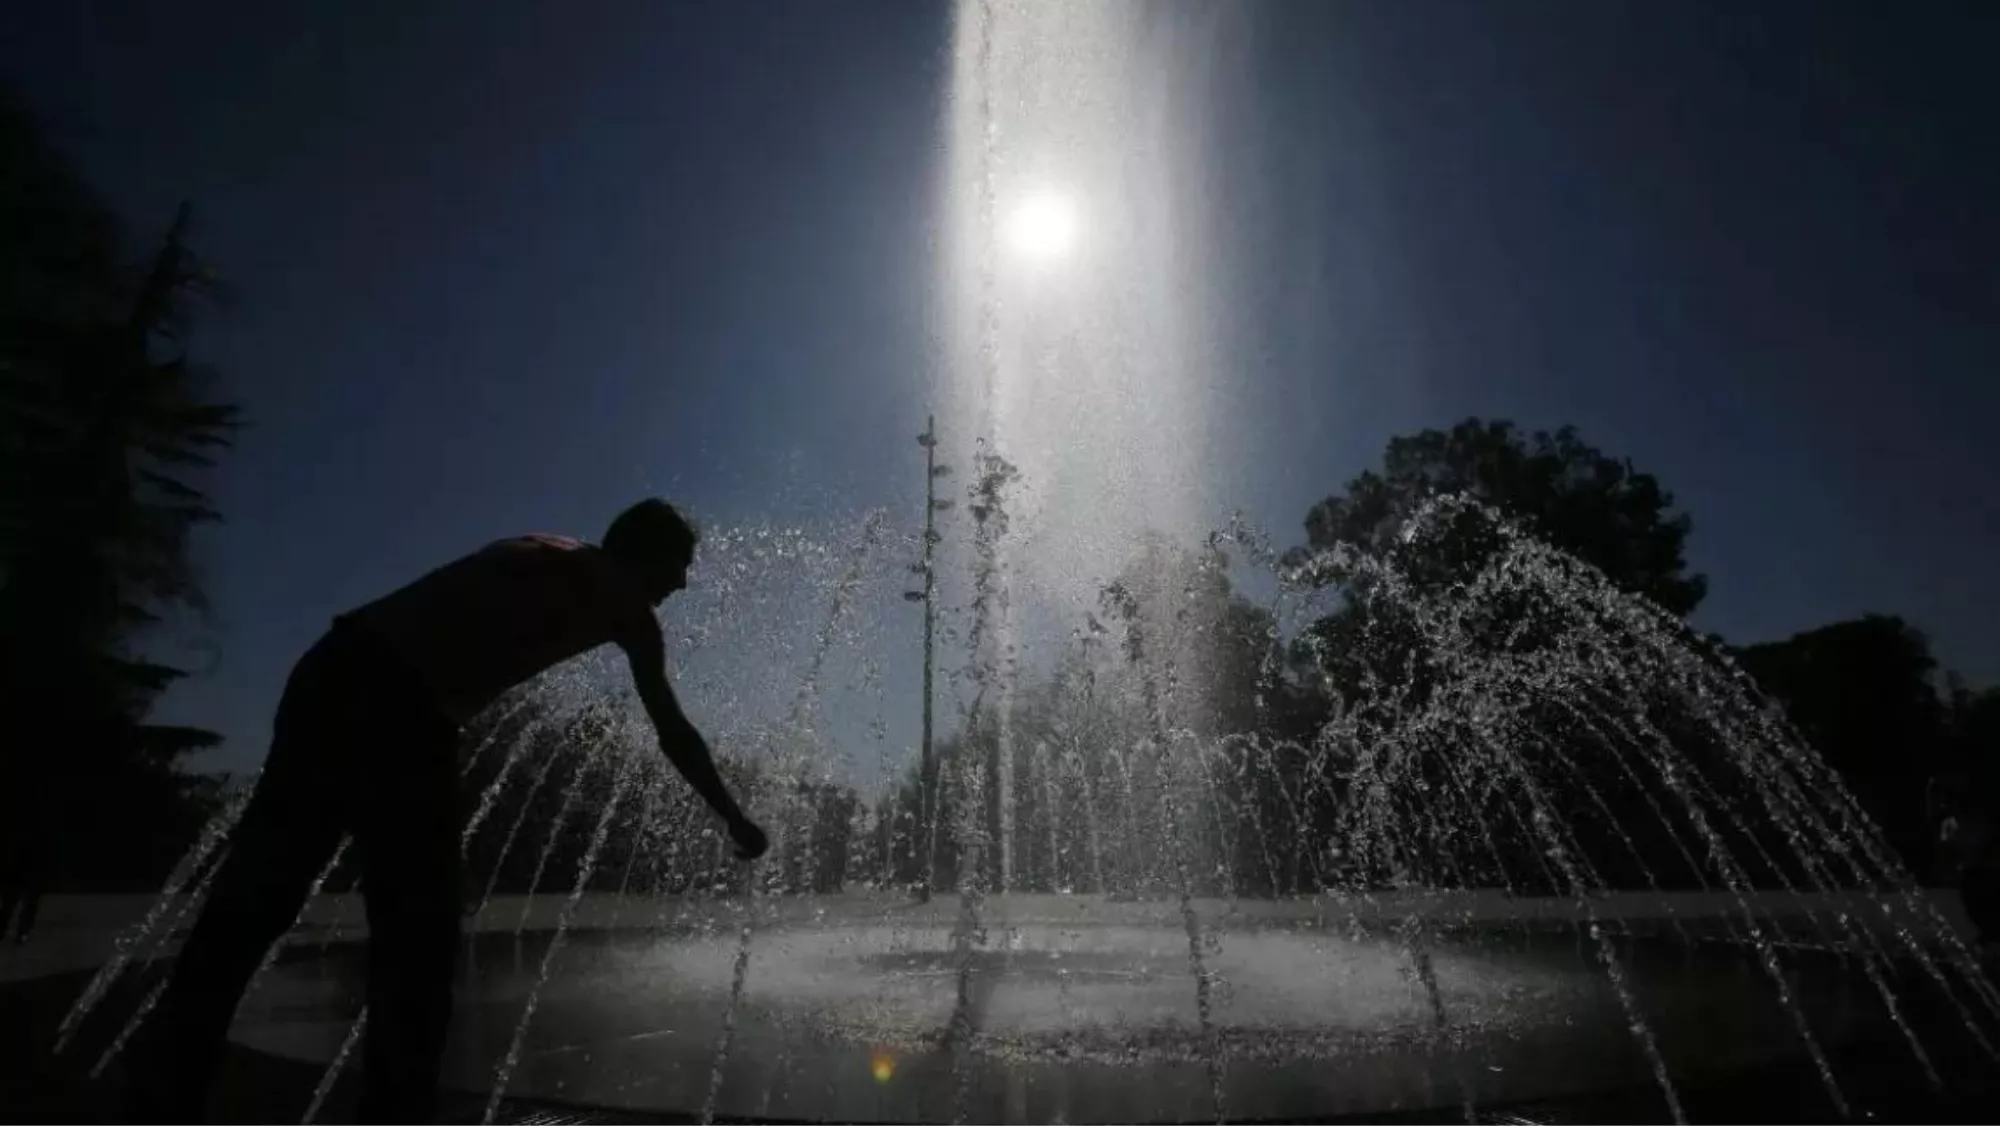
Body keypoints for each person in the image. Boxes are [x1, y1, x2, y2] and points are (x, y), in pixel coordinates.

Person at [128, 498, 767, 1122]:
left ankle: (164, 1089)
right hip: (395, 703)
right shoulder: (611, 593)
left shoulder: (548, 550)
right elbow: (672, 730)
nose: (682, 583)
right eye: (677, 565)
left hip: (337, 670)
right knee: (416, 945)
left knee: (260, 903)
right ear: (642, 557)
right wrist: (732, 815)